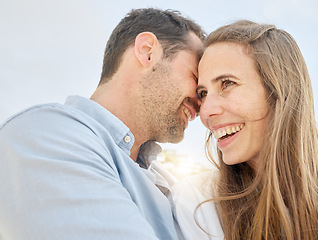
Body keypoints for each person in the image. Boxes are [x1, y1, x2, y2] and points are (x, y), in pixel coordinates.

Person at [172, 20, 318, 240]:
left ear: (280, 93)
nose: (205, 112)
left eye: (227, 84)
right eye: (203, 93)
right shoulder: (197, 203)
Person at [0, 8, 204, 240]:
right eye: (196, 80)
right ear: (147, 52)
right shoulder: (43, 135)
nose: (202, 104)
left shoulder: (173, 186)